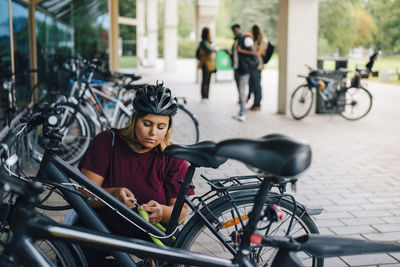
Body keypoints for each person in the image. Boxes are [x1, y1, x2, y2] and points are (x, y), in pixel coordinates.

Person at [77, 83, 194, 265]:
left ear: (168, 127)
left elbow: (182, 212)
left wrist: (162, 212)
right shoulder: (108, 141)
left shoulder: (174, 158)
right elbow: (82, 192)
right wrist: (112, 195)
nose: (153, 133)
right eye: (147, 124)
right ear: (134, 120)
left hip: (148, 234)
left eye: (161, 126)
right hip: (101, 229)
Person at [229, 24, 259, 121]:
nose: (235, 32)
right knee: (240, 92)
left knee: (242, 92)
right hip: (236, 69)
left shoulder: (246, 40)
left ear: (240, 29)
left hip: (244, 70)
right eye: (234, 30)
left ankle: (242, 113)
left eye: (237, 30)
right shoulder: (236, 41)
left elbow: (254, 52)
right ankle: (241, 112)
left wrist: (241, 51)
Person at [248, 24, 268, 111]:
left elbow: (257, 53)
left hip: (258, 65)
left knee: (257, 84)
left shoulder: (262, 40)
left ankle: (257, 103)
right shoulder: (253, 39)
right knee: (252, 84)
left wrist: (244, 51)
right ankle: (255, 102)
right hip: (251, 65)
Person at [197, 27, 216, 102]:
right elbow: (209, 50)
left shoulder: (209, 42)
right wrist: (214, 49)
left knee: (208, 80)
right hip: (205, 64)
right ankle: (204, 96)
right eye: (209, 33)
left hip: (210, 64)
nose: (210, 34)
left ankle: (206, 96)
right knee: (205, 80)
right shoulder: (203, 43)